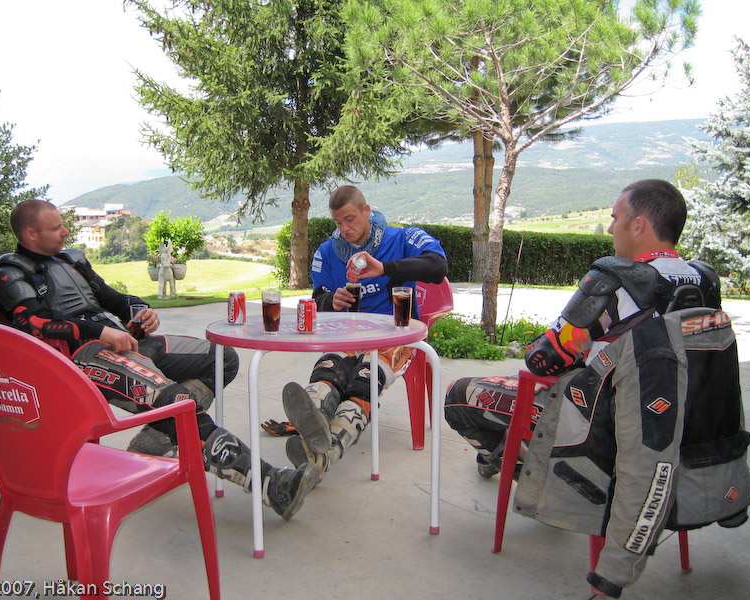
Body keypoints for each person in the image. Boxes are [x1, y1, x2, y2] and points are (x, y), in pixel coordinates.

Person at [0, 199, 318, 520]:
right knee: (174, 401)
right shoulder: (9, 274)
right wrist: (99, 333)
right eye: (56, 227)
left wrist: (140, 311)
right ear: (31, 234)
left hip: (128, 343)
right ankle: (269, 484)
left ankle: (160, 435)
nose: (65, 231)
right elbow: (32, 323)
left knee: (222, 358)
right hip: (82, 359)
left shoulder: (72, 261)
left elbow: (113, 298)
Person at [444, 178, 722, 479]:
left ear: (638, 226)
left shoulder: (617, 281)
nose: (612, 228)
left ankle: (533, 475)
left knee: (458, 394)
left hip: (602, 428)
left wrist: (561, 343)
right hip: (678, 427)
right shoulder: (705, 281)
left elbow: (543, 359)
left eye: (616, 219)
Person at [279, 185, 447, 482]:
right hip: (348, 335)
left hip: (396, 336)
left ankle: (326, 452)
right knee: (328, 371)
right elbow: (317, 298)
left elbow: (438, 266)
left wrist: (384, 268)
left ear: (367, 211)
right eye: (338, 222)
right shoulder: (328, 251)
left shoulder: (401, 238)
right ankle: (314, 420)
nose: (345, 228)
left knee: (365, 380)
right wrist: (332, 301)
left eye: (351, 219)